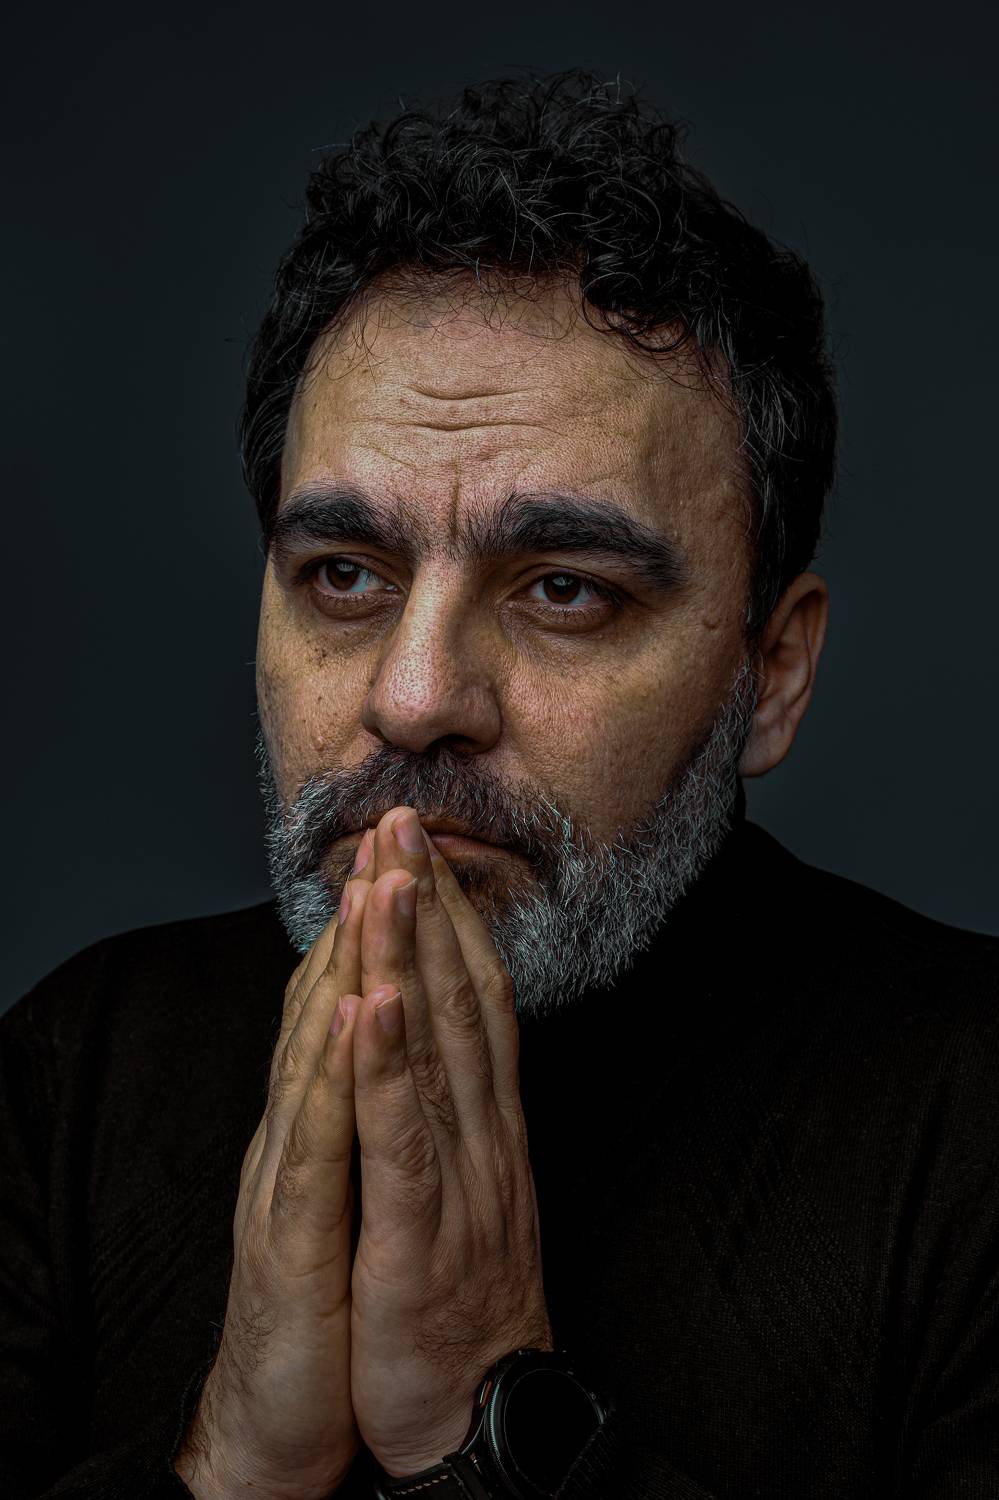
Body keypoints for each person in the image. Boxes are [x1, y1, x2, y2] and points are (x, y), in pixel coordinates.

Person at [2, 69, 997, 1500]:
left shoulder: (971, 1127)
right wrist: (235, 1463)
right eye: (345, 575)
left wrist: (486, 1416)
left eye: (564, 590)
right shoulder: (70, 1082)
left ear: (771, 674)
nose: (414, 698)